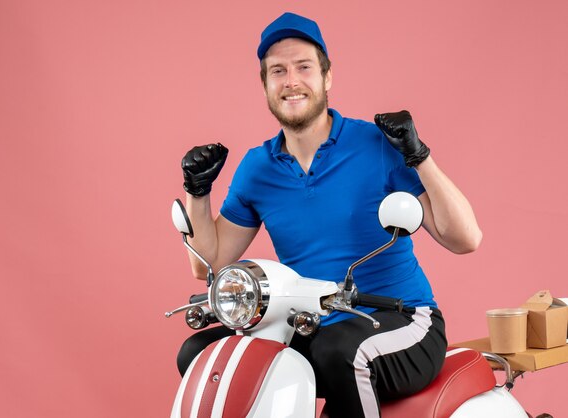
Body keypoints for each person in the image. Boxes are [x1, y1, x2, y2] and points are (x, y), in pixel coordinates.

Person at [176, 12, 482, 418]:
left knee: (338, 351)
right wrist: (197, 192)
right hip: (310, 321)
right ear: (265, 84)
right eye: (278, 71)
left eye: (303, 67)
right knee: (201, 353)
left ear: (327, 77)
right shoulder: (257, 167)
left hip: (402, 319)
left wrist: (418, 155)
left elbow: (465, 239)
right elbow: (209, 265)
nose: (291, 81)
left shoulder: (375, 145)